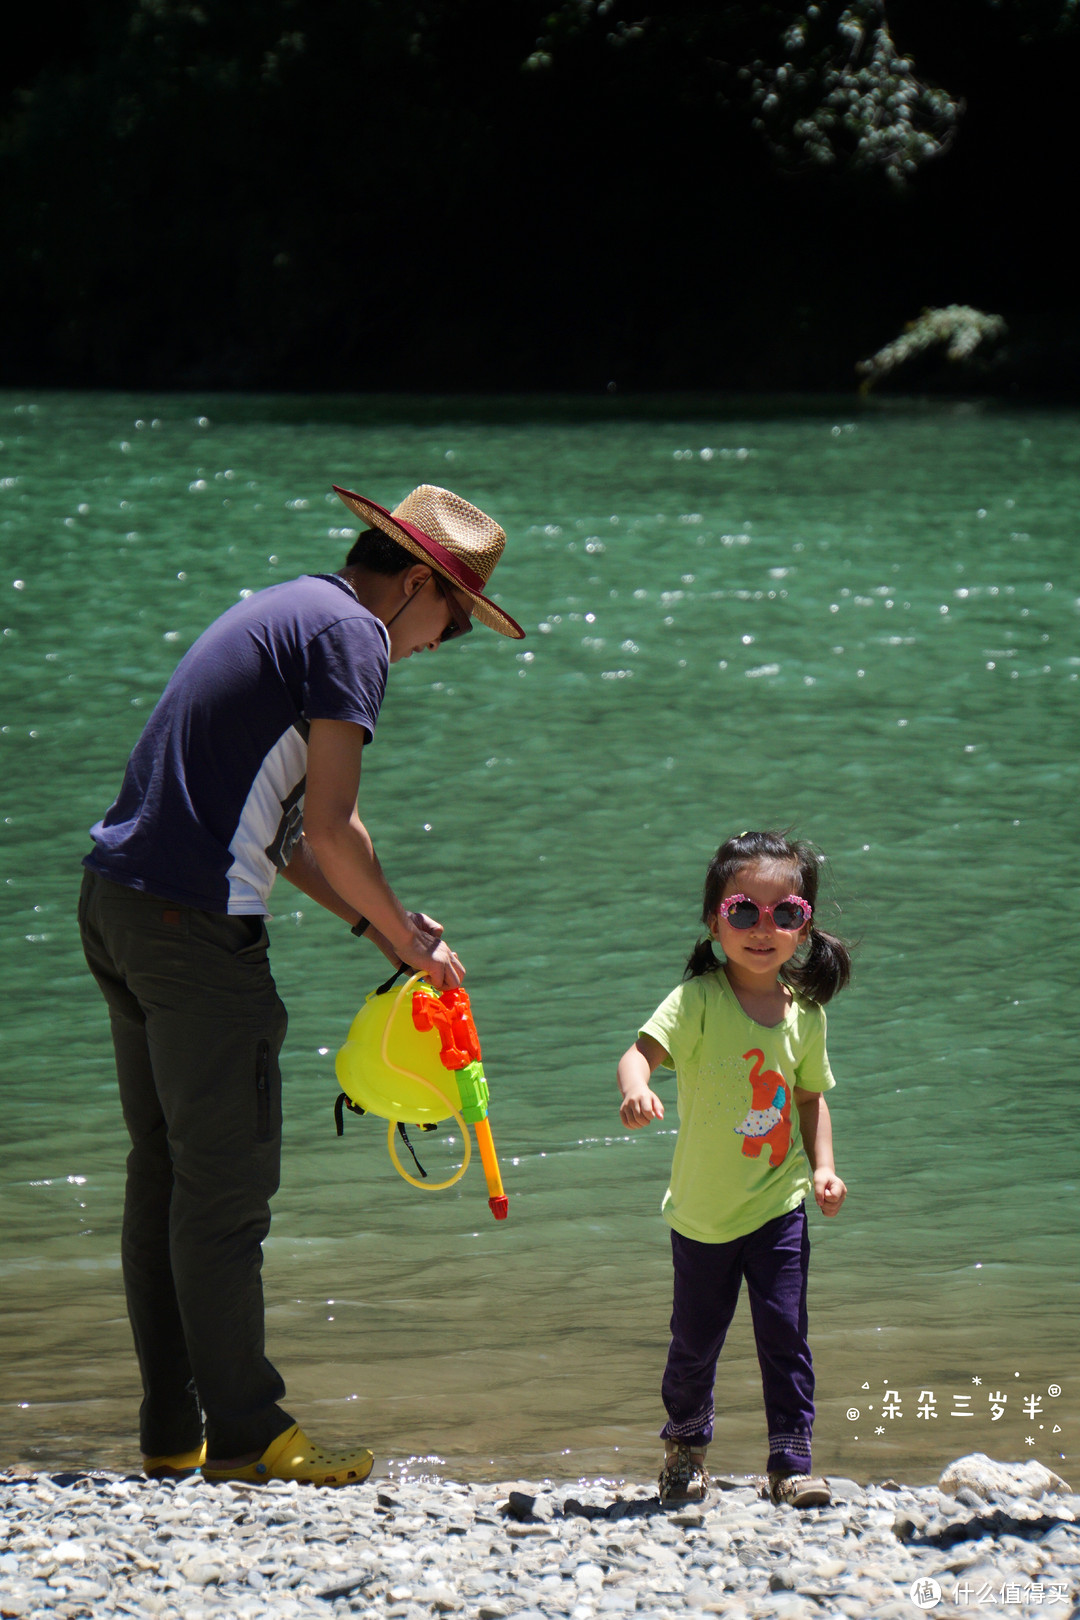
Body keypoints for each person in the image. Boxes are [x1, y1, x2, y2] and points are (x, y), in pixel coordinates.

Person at [78, 482, 524, 1487]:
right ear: (418, 584)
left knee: (166, 1179)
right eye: (448, 628)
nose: (431, 651)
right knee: (225, 1194)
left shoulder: (291, 610)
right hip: (193, 935)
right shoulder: (354, 637)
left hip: (117, 907)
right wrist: (411, 942)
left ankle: (172, 1429)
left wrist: (384, 928)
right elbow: (330, 828)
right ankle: (248, 1435)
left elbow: (285, 833)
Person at [616, 829, 851, 1509]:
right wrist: (636, 1089)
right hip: (700, 1217)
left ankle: (791, 1462)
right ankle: (685, 1454)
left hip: (779, 1208)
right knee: (694, 1346)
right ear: (714, 920)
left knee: (786, 1336)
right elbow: (639, 1054)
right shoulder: (696, 1001)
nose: (763, 929)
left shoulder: (804, 1015)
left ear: (805, 928)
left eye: (787, 914)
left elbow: (810, 1101)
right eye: (744, 911)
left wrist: (826, 1168)